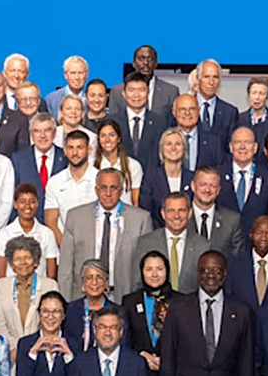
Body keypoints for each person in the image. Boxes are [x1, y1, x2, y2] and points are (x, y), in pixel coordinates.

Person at [59, 168, 154, 299]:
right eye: (103, 188)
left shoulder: (141, 219)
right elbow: (65, 268)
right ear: (96, 190)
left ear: (121, 191)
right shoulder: (75, 217)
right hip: (83, 296)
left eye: (113, 188)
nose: (108, 193)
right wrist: (66, 302)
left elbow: (146, 267)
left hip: (124, 297)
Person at [218, 126, 268, 230]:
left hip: (256, 242)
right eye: (238, 142)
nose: (242, 147)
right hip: (222, 241)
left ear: (255, 148)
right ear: (230, 147)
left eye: (247, 142)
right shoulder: (217, 175)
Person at [187, 166, 245, 264]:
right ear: (193, 186)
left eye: (212, 186)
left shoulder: (232, 220)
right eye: (203, 184)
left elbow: (237, 259)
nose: (207, 190)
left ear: (218, 190)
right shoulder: (180, 217)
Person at [138, 129, 192, 219]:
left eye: (178, 144)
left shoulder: (192, 178)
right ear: (161, 149)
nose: (173, 148)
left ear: (184, 149)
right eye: (169, 144)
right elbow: (145, 211)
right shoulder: (150, 178)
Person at [93, 121, 143, 209]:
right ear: (99, 139)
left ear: (119, 138)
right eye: (103, 136)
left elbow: (135, 201)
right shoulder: (92, 164)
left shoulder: (133, 165)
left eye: (112, 135)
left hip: (126, 215)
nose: (107, 139)